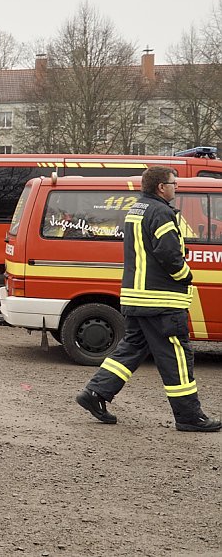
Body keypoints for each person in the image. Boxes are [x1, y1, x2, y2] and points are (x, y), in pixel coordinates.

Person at [76, 166, 221, 432]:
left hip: (136, 297)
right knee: (176, 356)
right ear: (161, 187)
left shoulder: (136, 209)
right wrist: (185, 275)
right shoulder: (163, 212)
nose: (176, 188)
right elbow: (169, 253)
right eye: (173, 184)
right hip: (161, 301)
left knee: (131, 349)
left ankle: (95, 393)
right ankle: (189, 417)